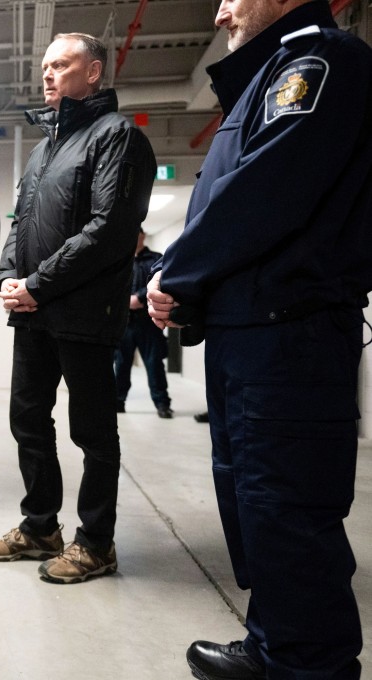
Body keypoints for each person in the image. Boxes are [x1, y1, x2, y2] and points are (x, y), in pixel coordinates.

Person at [146, 1, 372, 677]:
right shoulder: (269, 76)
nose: (219, 11)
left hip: (290, 333)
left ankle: (308, 662)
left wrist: (176, 275)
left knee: (287, 507)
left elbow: (262, 194)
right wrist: (195, 295)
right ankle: (277, 643)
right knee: (257, 505)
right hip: (253, 329)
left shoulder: (320, 61)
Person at [0, 34, 156, 584]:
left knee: (92, 432)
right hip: (33, 311)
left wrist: (39, 283)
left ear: (94, 72)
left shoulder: (117, 137)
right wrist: (10, 277)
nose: (48, 74)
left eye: (62, 64)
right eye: (46, 65)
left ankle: (97, 542)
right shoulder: (43, 147)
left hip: (84, 313)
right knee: (28, 420)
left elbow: (109, 230)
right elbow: (20, 224)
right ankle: (40, 527)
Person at [113, 228, 172, 418]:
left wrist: (139, 298)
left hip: (149, 322)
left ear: (143, 236)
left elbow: (162, 282)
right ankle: (118, 402)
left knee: (154, 364)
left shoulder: (156, 258)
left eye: (136, 234)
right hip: (124, 323)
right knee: (121, 365)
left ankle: (162, 404)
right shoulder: (120, 260)